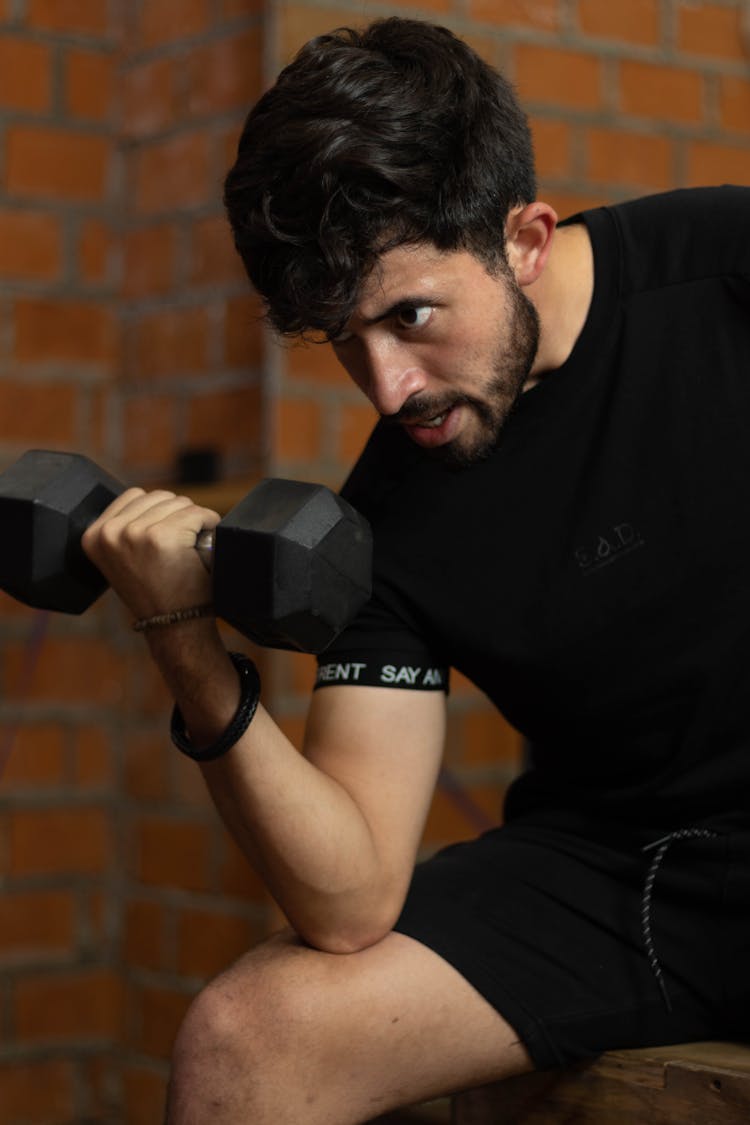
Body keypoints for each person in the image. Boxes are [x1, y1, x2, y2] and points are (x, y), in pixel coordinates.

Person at [81, 17, 750, 1125]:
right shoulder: (383, 519)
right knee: (250, 1043)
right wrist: (189, 649)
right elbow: (349, 899)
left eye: (411, 316)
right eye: (346, 339)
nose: (390, 389)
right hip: (623, 875)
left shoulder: (724, 272)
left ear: (525, 238)